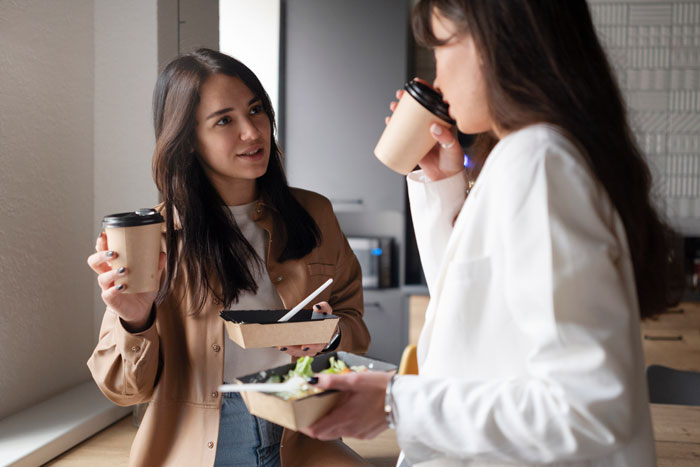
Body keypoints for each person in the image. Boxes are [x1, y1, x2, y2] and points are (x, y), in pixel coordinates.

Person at [300, 1, 681, 465]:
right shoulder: (518, 156)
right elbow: (470, 311)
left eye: (441, 49)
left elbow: (589, 408)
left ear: (494, 44)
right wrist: (444, 186)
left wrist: (395, 402)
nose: (436, 80)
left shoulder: (538, 160)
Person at [86, 48, 371, 467]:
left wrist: (327, 336)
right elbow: (124, 390)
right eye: (224, 120)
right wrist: (135, 319)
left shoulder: (314, 214)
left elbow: (355, 326)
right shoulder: (154, 237)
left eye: (255, 110)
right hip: (205, 440)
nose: (252, 132)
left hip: (301, 426)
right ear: (188, 140)